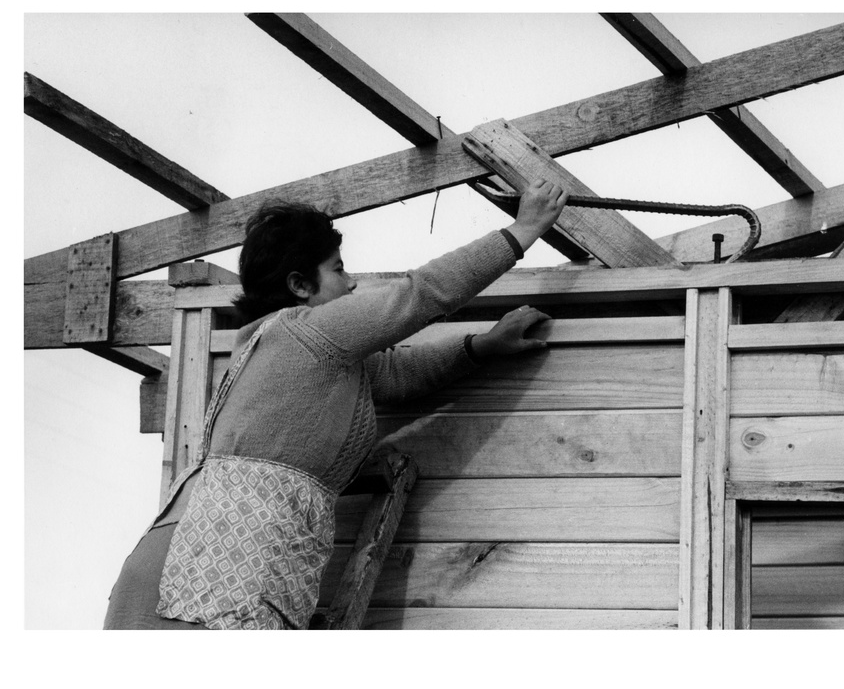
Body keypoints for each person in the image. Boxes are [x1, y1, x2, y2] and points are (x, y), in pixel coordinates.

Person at [103, 179, 568, 630]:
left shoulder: (293, 349)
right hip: (204, 579)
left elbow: (397, 376)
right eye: (340, 270)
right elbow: (419, 295)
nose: (351, 285)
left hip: (199, 568)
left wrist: (483, 346)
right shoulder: (305, 330)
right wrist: (523, 231)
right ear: (300, 285)